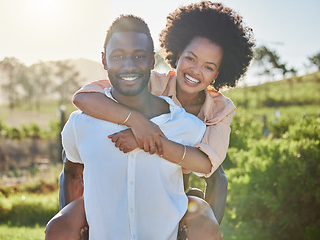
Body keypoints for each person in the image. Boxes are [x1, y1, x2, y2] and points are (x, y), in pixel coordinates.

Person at [71, 0, 254, 225]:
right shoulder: (151, 82)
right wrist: (137, 121)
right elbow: (84, 98)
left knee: (217, 180)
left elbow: (207, 164)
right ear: (177, 54)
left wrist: (149, 139)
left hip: (184, 169)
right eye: (190, 58)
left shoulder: (221, 109)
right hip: (143, 171)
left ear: (218, 73)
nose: (195, 71)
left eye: (208, 67)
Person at [46, 14, 222, 240]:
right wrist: (76, 218)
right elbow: (72, 172)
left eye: (139, 56)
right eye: (118, 56)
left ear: (151, 60)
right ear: (104, 60)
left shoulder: (187, 126)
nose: (128, 66)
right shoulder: (80, 124)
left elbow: (200, 179)